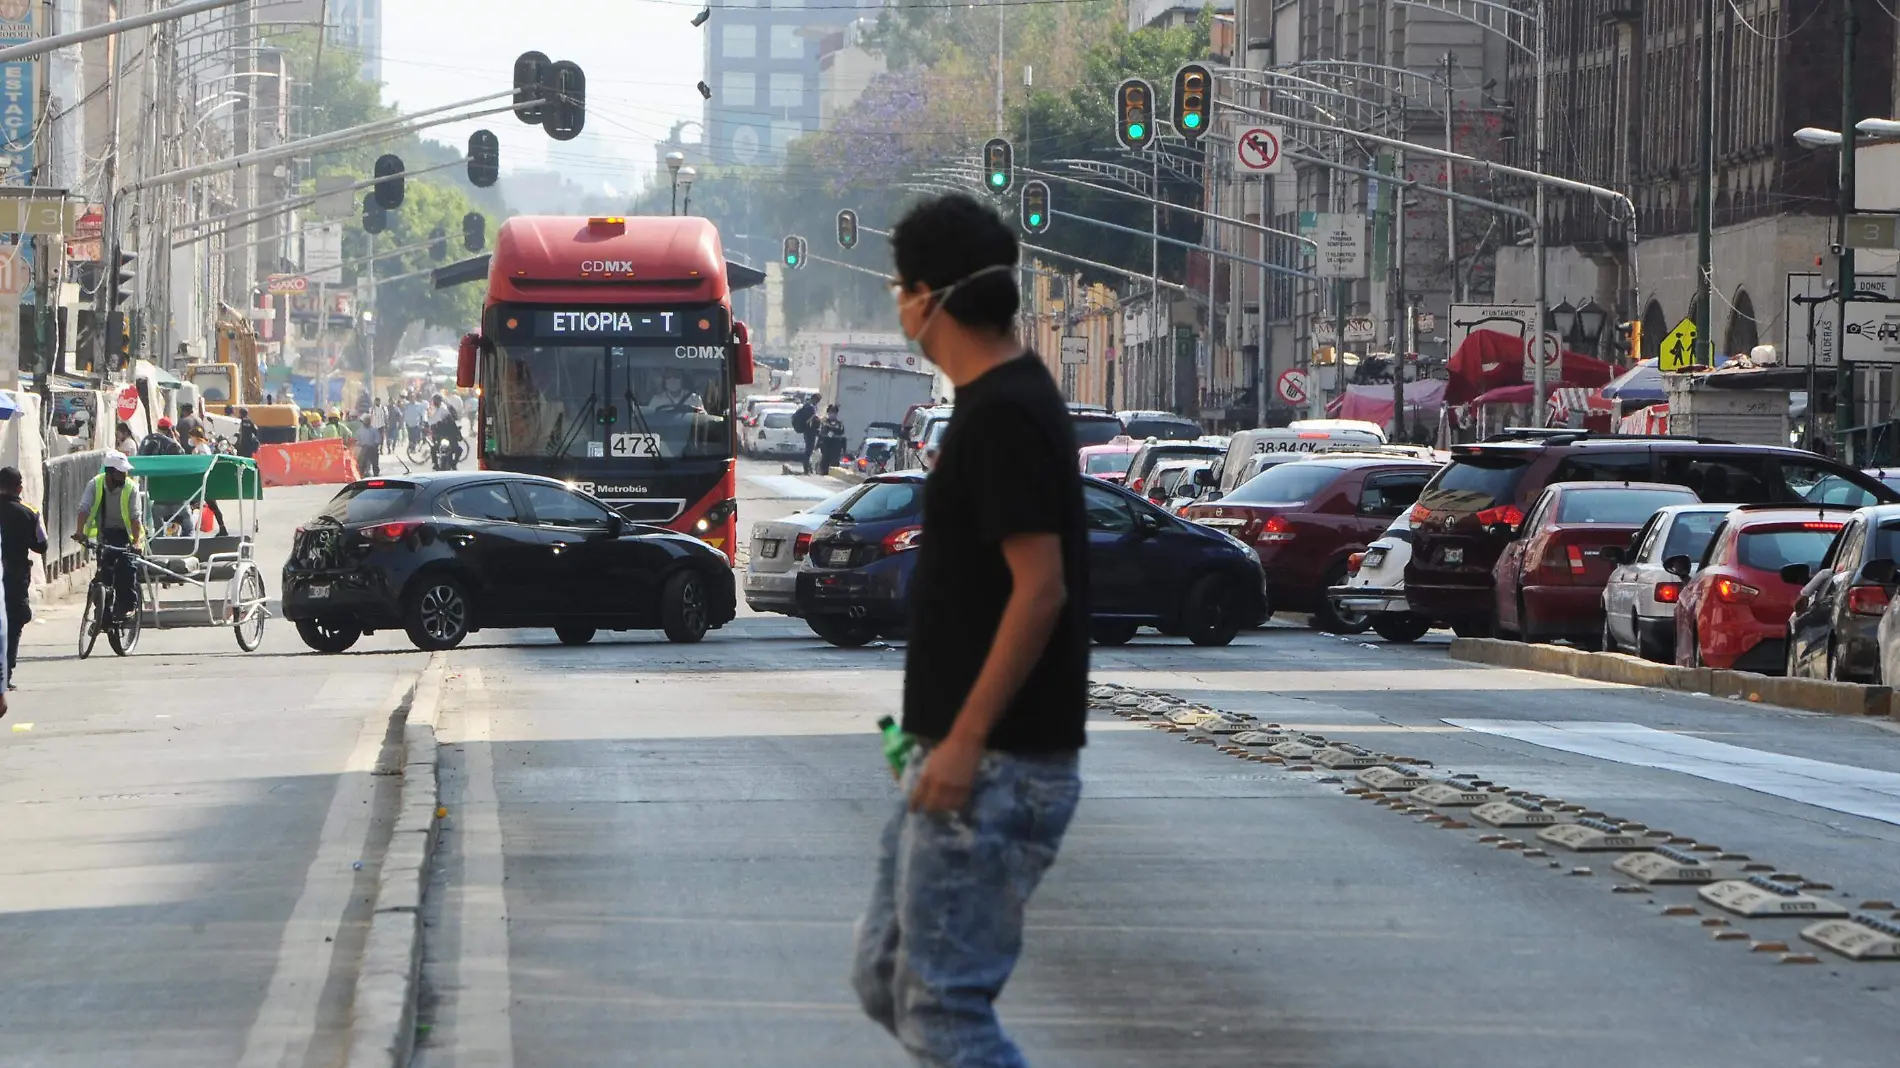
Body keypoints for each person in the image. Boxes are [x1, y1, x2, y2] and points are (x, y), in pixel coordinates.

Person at [850, 193, 1087, 1067]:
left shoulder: (1006, 415)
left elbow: (1041, 591)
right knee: (886, 976)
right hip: (951, 752)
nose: (898, 306)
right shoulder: (992, 404)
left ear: (926, 296)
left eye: (898, 288)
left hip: (997, 764)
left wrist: (965, 742)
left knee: (943, 1006)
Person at [75, 451, 144, 623]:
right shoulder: (95, 484)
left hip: (127, 534)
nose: (124, 474)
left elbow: (135, 518)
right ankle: (102, 615)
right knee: (102, 575)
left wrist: (136, 542)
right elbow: (84, 508)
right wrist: (79, 532)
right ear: (110, 472)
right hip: (105, 533)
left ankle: (128, 606)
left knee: (126, 569)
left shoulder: (131, 487)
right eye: (121, 471)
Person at [0, 467, 47, 691]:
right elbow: (41, 545)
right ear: (19, 487)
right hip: (14, 577)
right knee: (14, 621)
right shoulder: (29, 512)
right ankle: (4, 675)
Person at [792, 398, 819, 474]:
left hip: (806, 431)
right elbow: (811, 421)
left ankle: (808, 468)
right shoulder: (811, 408)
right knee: (809, 451)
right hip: (810, 432)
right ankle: (807, 468)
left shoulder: (806, 407)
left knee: (809, 450)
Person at [817, 404, 847, 472]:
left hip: (836, 449)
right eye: (830, 412)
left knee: (834, 466)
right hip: (826, 448)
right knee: (824, 466)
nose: (832, 414)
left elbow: (841, 433)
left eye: (834, 412)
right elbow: (822, 432)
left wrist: (844, 450)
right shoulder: (824, 422)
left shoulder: (839, 424)